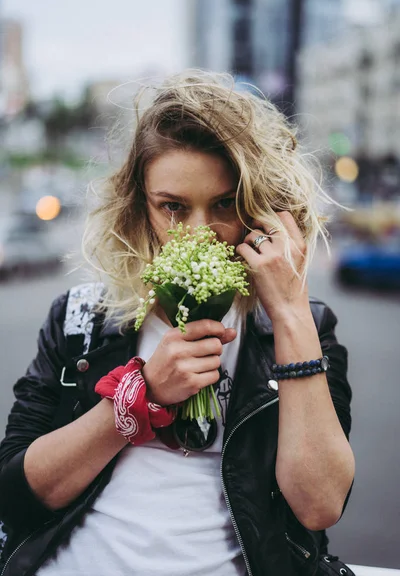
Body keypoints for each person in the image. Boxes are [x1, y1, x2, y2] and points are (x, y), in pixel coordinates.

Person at [0, 70, 355, 576]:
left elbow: (318, 505)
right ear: (139, 209)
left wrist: (291, 312)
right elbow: (16, 495)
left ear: (261, 207)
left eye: (224, 204)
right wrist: (139, 396)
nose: (197, 234)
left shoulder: (304, 325)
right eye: (173, 207)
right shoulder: (81, 318)